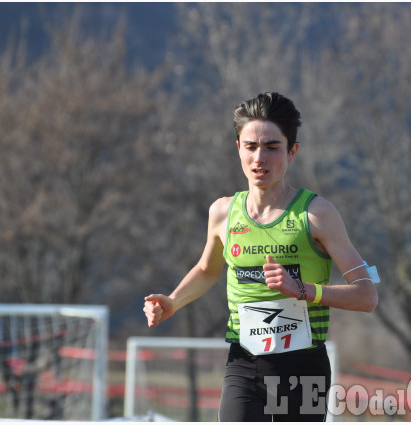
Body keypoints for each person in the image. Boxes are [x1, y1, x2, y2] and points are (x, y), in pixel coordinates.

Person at [143, 92, 378, 421]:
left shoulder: (317, 214)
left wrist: (304, 290)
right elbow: (208, 270)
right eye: (250, 146)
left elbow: (367, 295)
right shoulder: (223, 212)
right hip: (244, 364)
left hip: (303, 367)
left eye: (272, 147)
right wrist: (173, 301)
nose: (259, 158)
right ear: (238, 148)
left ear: (292, 152)